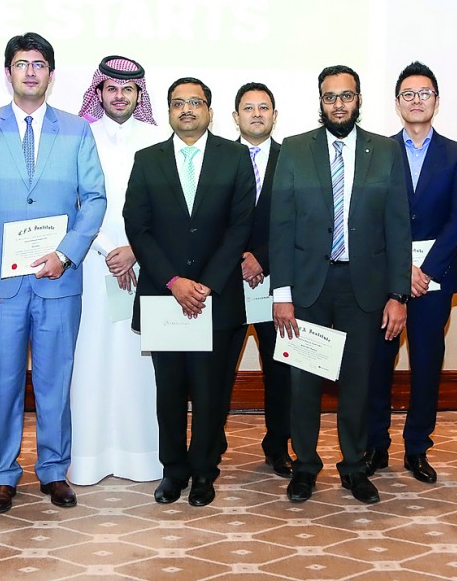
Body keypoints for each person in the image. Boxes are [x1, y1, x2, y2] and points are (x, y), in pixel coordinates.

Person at [0, 32, 106, 514]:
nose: (30, 72)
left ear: (51, 73)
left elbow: (95, 199)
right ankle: (2, 474)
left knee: (54, 380)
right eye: (21, 63)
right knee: (1, 382)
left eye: (39, 64)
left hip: (58, 278)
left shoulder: (76, 130)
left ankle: (54, 471)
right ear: (8, 72)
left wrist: (67, 253)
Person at [270, 65, 412, 505]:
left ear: (359, 100)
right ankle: (306, 466)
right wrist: (282, 294)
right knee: (304, 383)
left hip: (362, 287)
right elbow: (281, 225)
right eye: (330, 96)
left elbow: (397, 227)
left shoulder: (384, 151)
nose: (338, 104)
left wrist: (398, 294)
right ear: (320, 101)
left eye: (346, 96)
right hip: (309, 287)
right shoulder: (294, 150)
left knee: (357, 382)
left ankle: (353, 466)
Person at [124, 77, 256, 507]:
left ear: (210, 111)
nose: (187, 110)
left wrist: (206, 284)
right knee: (170, 389)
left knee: (209, 389)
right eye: (178, 103)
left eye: (195, 102)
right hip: (166, 296)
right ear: (167, 111)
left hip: (214, 298)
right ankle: (173, 471)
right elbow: (138, 228)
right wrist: (174, 282)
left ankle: (203, 472)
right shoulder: (147, 159)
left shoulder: (234, 157)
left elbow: (240, 227)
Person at [363, 62, 457, 483]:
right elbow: (368, 218)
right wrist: (400, 269)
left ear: (436, 101)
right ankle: (376, 447)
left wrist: (421, 269)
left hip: (434, 279)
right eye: (408, 94)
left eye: (424, 93)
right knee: (378, 365)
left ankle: (417, 449)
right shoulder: (377, 151)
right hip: (386, 277)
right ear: (396, 103)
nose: (416, 100)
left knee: (427, 364)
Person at [71, 55, 165, 486]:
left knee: (140, 361)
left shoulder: (158, 136)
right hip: (91, 265)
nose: (120, 96)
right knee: (90, 357)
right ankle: (88, 457)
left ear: (139, 94)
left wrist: (134, 251)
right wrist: (108, 250)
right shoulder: (79, 135)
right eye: (111, 88)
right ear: (100, 91)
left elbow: (169, 207)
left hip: (145, 265)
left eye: (128, 90)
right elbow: (72, 200)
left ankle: (141, 455)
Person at [227, 81, 293, 478]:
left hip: (276, 284)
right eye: (248, 108)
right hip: (227, 281)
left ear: (274, 115)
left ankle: (278, 447)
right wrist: (238, 258)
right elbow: (207, 219)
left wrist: (261, 260)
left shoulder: (293, 159)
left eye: (264, 107)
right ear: (235, 116)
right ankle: (211, 445)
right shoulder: (214, 157)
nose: (256, 113)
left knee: (280, 372)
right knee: (216, 370)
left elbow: (298, 223)